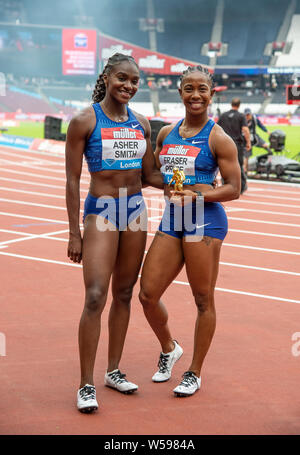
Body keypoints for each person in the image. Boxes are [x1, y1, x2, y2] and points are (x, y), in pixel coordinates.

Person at [65, 53, 164, 413]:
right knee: (95, 296)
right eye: (123, 78)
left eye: (135, 81)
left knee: (124, 292)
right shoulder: (84, 120)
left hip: (135, 211)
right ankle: (86, 384)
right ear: (107, 77)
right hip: (102, 211)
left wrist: (188, 181)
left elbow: (150, 175)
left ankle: (113, 371)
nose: (129, 86)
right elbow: (72, 180)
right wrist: (74, 233)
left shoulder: (142, 122)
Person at [139, 65, 241, 397]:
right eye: (188, 88)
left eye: (202, 89)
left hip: (204, 221)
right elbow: (156, 176)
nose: (195, 95)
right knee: (148, 293)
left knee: (202, 298)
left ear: (211, 95)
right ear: (180, 92)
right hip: (173, 219)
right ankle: (170, 348)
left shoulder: (218, 137)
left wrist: (199, 194)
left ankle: (194, 372)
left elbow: (234, 188)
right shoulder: (167, 133)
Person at [217, 98, 251, 194]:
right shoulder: (241, 116)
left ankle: (225, 185)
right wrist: (248, 142)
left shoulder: (223, 115)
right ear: (239, 105)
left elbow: (216, 128)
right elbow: (245, 130)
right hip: (236, 144)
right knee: (238, 166)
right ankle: (241, 187)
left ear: (231, 104)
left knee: (224, 166)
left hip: (224, 144)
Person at [244, 108, 272, 175]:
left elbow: (260, 125)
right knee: (246, 157)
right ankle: (245, 172)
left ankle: (267, 163)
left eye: (249, 114)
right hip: (246, 139)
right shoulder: (241, 120)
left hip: (255, 137)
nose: (248, 116)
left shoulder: (254, 118)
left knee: (267, 146)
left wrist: (266, 131)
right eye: (246, 115)